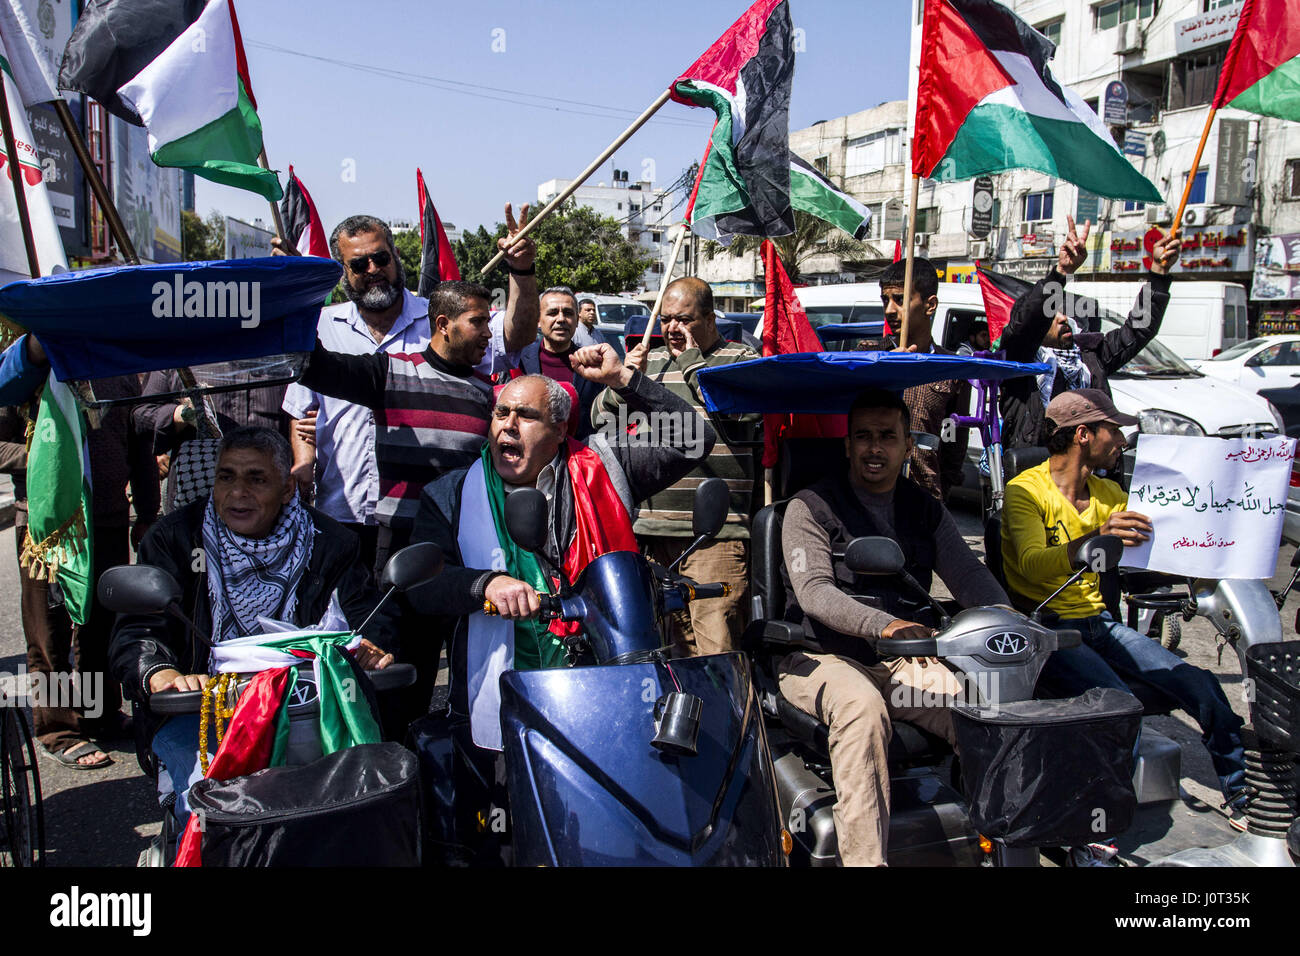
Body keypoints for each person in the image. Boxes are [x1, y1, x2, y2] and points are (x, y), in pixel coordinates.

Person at [408, 344, 714, 751]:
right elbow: (422, 587)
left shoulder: (605, 464)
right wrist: (485, 585)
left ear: (559, 429)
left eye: (526, 416)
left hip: (605, 682)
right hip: (499, 696)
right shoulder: (451, 494)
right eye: (501, 413)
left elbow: (694, 439)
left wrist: (623, 380)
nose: (508, 426)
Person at [109, 426, 396, 827]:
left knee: (358, 810)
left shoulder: (332, 542)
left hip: (309, 709)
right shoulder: (172, 539)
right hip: (202, 710)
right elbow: (138, 632)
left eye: (256, 479)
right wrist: (159, 672)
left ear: (287, 489)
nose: (237, 492)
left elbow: (369, 618)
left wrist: (370, 646)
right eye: (226, 476)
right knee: (211, 815)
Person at [779, 387, 1009, 866]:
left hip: (905, 661)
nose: (875, 447)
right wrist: (884, 625)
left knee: (984, 708)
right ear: (847, 446)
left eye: (888, 436)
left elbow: (969, 576)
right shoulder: (809, 507)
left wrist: (1008, 624)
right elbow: (815, 592)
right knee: (862, 710)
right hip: (820, 657)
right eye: (863, 436)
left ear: (909, 445)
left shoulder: (924, 508)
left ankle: (1004, 841)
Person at [1000, 388, 1247, 826]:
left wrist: (1204, 549)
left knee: (1200, 684)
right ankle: (1095, 823)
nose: (1122, 440)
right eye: (1113, 430)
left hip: (1100, 622)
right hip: (1049, 627)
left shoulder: (1110, 491)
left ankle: (1241, 792)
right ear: (1082, 434)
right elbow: (1032, 567)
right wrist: (1098, 535)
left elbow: (1146, 553)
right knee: (1120, 707)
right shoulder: (1026, 491)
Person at [0, 333, 159, 769]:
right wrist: (50, 456)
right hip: (47, 526)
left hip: (108, 518)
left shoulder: (119, 369)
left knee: (101, 625)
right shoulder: (23, 373)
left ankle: (100, 714)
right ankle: (59, 728)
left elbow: (139, 447)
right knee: (49, 631)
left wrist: (147, 512)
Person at [593, 276, 759, 657]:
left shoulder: (738, 360)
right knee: (669, 650)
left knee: (717, 651)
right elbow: (601, 419)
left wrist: (687, 360)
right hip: (651, 531)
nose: (671, 328)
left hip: (715, 535)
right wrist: (622, 382)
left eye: (683, 320)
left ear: (710, 319)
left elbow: (740, 412)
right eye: (666, 319)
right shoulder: (645, 364)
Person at [282, 215, 431, 574]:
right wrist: (303, 463)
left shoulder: (436, 323)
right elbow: (301, 410)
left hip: (418, 515)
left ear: (396, 256)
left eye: (381, 258)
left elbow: (510, 339)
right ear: (342, 270)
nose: (373, 269)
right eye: (359, 264)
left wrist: (520, 272)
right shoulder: (322, 327)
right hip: (340, 510)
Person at [999, 217, 1181, 449]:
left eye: (1063, 312)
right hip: (1038, 476)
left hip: (1092, 475)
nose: (1063, 318)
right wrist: (1061, 272)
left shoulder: (1091, 357)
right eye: (1052, 315)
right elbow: (1028, 323)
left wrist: (1159, 274)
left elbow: (1139, 329)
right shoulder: (1019, 364)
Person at [878, 258, 968, 503]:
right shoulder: (869, 358)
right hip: (873, 497)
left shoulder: (951, 369)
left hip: (925, 501)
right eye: (885, 300)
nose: (889, 310)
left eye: (900, 299)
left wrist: (941, 488)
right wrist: (882, 371)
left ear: (930, 305)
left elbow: (953, 443)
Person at [507, 286, 603, 438]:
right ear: (538, 320)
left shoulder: (593, 364)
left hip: (580, 455)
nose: (561, 319)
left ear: (577, 321)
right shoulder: (518, 363)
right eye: (552, 313)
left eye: (568, 313)